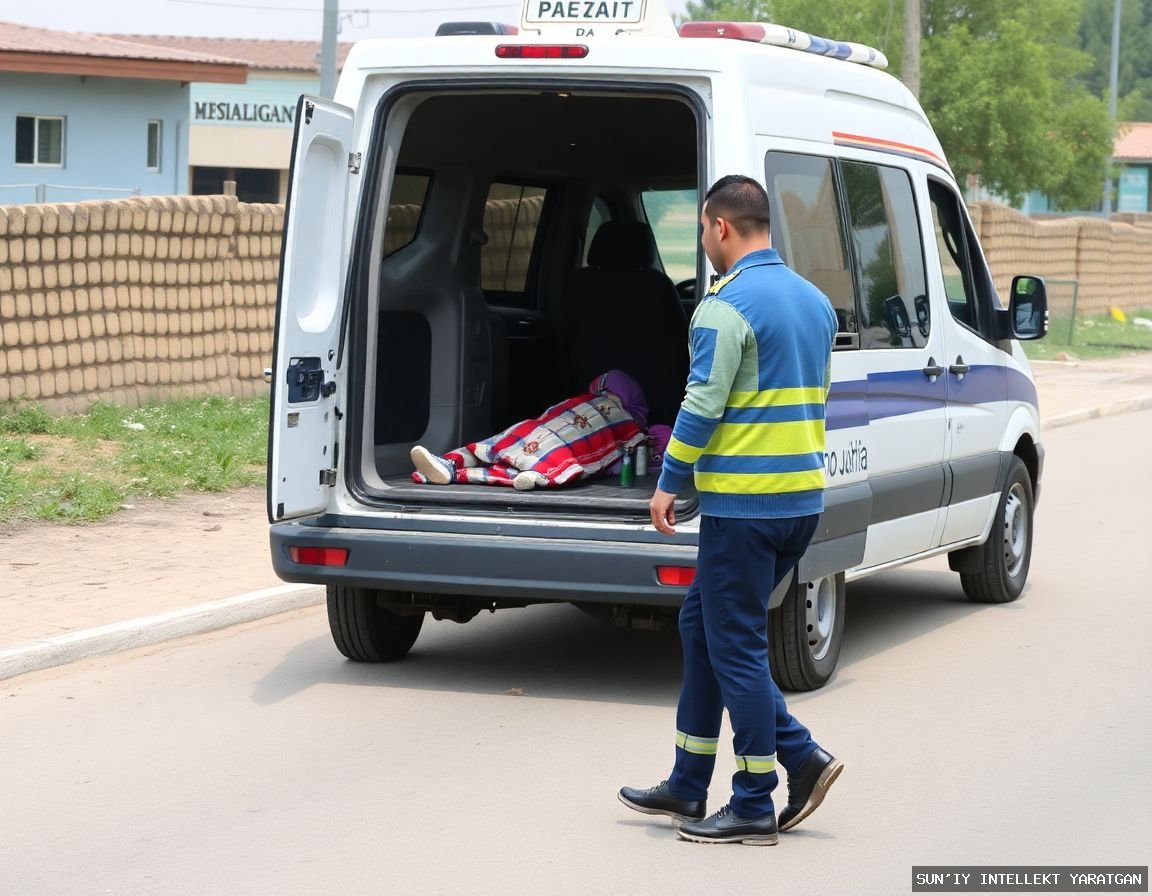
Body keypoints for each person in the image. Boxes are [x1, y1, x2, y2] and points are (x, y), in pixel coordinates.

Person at [618, 175, 844, 845]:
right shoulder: (815, 303)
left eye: (703, 231)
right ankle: (689, 782)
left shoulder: (726, 308)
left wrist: (668, 481)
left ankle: (763, 791)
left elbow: (701, 404)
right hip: (798, 501)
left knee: (737, 648)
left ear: (720, 227)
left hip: (744, 508)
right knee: (703, 627)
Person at [410, 369, 670, 490]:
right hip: (554, 427)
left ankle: (452, 469)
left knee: (514, 447)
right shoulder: (624, 411)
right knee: (516, 445)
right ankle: (449, 465)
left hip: (556, 434)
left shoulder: (637, 434)